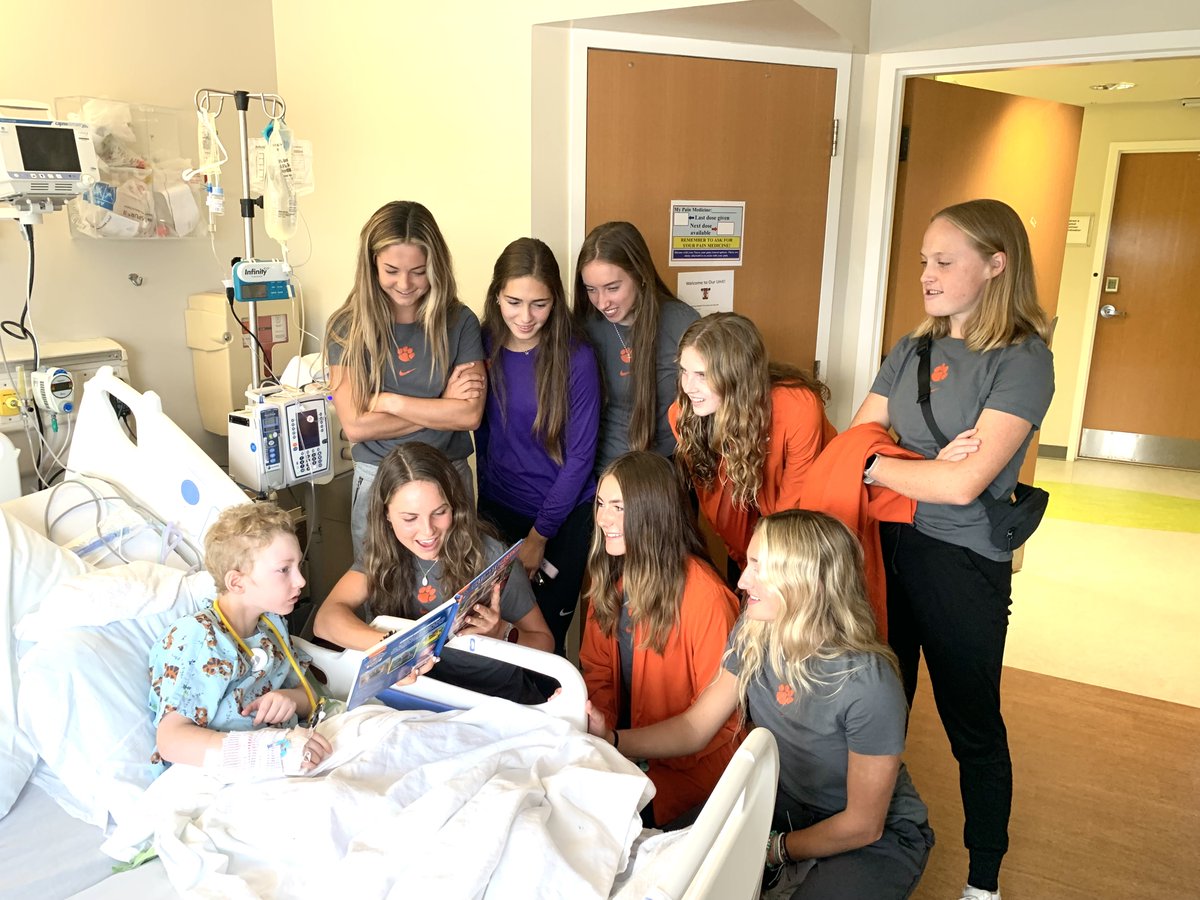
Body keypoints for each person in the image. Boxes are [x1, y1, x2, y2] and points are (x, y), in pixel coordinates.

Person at [848, 198, 1055, 900]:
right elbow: (855, 443)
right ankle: (873, 835)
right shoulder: (911, 348)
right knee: (882, 704)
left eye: (944, 262)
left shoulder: (1025, 361)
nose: (927, 276)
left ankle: (984, 881)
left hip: (963, 565)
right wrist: (920, 468)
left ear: (996, 265)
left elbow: (966, 485)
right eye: (923, 263)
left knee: (972, 721)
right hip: (889, 548)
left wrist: (891, 465)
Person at [588, 510, 934, 898]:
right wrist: (612, 738)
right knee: (665, 865)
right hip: (784, 801)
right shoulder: (755, 630)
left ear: (801, 581)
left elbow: (863, 824)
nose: (741, 579)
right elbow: (694, 727)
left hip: (875, 833)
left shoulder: (869, 683)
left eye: (757, 566)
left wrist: (778, 850)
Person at [313, 441, 556, 703]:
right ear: (386, 514)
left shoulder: (490, 557)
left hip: (492, 698)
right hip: (416, 694)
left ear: (454, 506)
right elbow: (325, 620)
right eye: (409, 518)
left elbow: (544, 641)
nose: (428, 531)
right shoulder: (384, 551)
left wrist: (502, 635)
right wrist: (399, 649)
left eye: (439, 513)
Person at [579, 451, 742, 827]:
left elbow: (717, 728)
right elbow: (598, 673)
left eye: (618, 507)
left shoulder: (707, 599)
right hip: (624, 753)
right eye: (601, 504)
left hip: (690, 773)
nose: (603, 518)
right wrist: (597, 729)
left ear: (652, 513)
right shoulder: (612, 582)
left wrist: (617, 742)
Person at [325, 200, 486, 559]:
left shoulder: (460, 322)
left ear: (436, 266)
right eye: (392, 270)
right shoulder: (346, 329)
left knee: (455, 588)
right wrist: (441, 403)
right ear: (371, 266)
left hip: (448, 479)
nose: (405, 283)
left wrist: (391, 401)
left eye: (419, 270)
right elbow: (356, 426)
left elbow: (469, 416)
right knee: (381, 592)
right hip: (379, 481)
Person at [475, 237, 601, 655]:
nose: (525, 317)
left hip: (560, 517)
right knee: (491, 633)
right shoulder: (483, 344)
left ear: (557, 300)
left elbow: (581, 457)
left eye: (539, 304)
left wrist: (539, 535)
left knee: (544, 640)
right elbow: (482, 430)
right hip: (497, 512)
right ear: (496, 296)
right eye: (513, 302)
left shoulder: (576, 356)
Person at [149, 502, 332, 779]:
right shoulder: (198, 638)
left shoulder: (271, 626)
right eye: (284, 570)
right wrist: (268, 750)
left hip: (291, 755)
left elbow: (312, 695)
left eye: (298, 566)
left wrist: (289, 699)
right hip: (218, 774)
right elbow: (171, 741)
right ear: (237, 583)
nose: (301, 581)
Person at [671, 312, 837, 582]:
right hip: (750, 523)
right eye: (683, 371)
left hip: (807, 529)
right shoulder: (683, 415)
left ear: (736, 375)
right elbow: (719, 511)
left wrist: (763, 569)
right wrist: (746, 565)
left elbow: (793, 511)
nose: (688, 387)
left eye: (702, 374)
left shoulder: (797, 408)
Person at [573, 221, 700, 473]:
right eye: (591, 290)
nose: (602, 302)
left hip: (668, 472)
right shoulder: (587, 327)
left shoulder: (682, 323)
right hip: (605, 473)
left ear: (640, 275)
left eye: (612, 288)